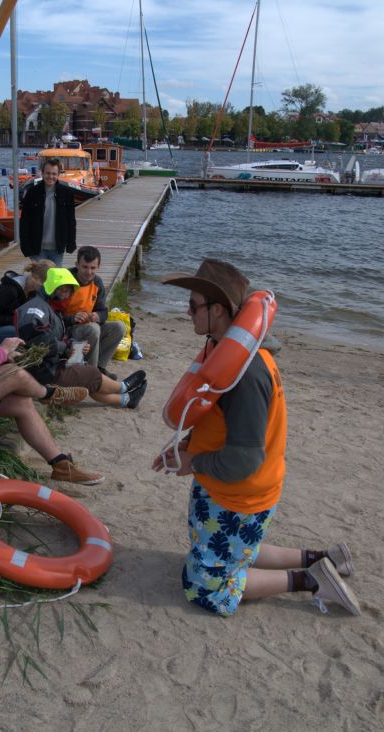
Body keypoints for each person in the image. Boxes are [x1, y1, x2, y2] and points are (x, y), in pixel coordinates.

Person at [152, 258, 360, 617]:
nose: (187, 313)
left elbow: (246, 458)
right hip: (228, 488)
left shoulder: (245, 375)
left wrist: (194, 462)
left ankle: (310, 579)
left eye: (193, 305)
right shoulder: (226, 354)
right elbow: (220, 420)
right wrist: (187, 444)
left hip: (239, 494)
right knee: (239, 548)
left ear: (217, 311)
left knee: (202, 587)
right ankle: (325, 557)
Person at [0, 297, 103, 485]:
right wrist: (0, 353)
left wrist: (0, 351)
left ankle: (61, 466)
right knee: (14, 374)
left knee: (22, 403)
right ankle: (49, 395)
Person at [15, 267, 148, 409]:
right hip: (43, 372)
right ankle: (122, 387)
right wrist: (67, 348)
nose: (66, 296)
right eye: (63, 290)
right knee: (90, 373)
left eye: (69, 292)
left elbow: (53, 334)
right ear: (52, 288)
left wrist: (72, 344)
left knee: (86, 375)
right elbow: (37, 340)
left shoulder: (48, 306)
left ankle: (126, 399)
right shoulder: (36, 308)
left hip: (49, 365)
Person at [61, 245, 126, 380]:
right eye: (85, 267)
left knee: (119, 327)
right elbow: (53, 315)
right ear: (77, 265)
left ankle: (100, 367)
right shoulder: (65, 280)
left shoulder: (97, 282)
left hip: (88, 326)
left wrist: (98, 316)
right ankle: (92, 374)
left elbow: (103, 312)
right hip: (66, 329)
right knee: (94, 328)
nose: (89, 272)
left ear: (98, 267)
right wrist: (73, 318)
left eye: (93, 268)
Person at [0, 259, 54, 343]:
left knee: (34, 330)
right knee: (24, 332)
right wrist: (16, 319)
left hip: (3, 326)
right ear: (37, 279)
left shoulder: (32, 293)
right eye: (46, 284)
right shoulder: (9, 290)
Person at [19, 158, 76, 267]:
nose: (51, 177)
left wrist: (71, 243)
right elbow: (25, 221)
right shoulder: (32, 193)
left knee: (55, 281)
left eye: (54, 174)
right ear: (42, 173)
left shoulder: (67, 194)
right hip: (37, 247)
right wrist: (25, 246)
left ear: (58, 174)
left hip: (57, 248)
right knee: (39, 281)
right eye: (48, 173)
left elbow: (71, 221)